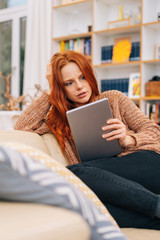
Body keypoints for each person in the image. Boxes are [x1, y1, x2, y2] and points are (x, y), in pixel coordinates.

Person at [15, 50, 160, 229]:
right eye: (69, 83)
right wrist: (51, 89)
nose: (80, 86)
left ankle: (156, 205)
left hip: (147, 166)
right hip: (112, 186)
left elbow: (155, 133)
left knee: (71, 173)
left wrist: (128, 139)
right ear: (61, 87)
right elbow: (22, 127)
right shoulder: (57, 121)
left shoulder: (114, 98)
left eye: (82, 77)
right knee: (86, 208)